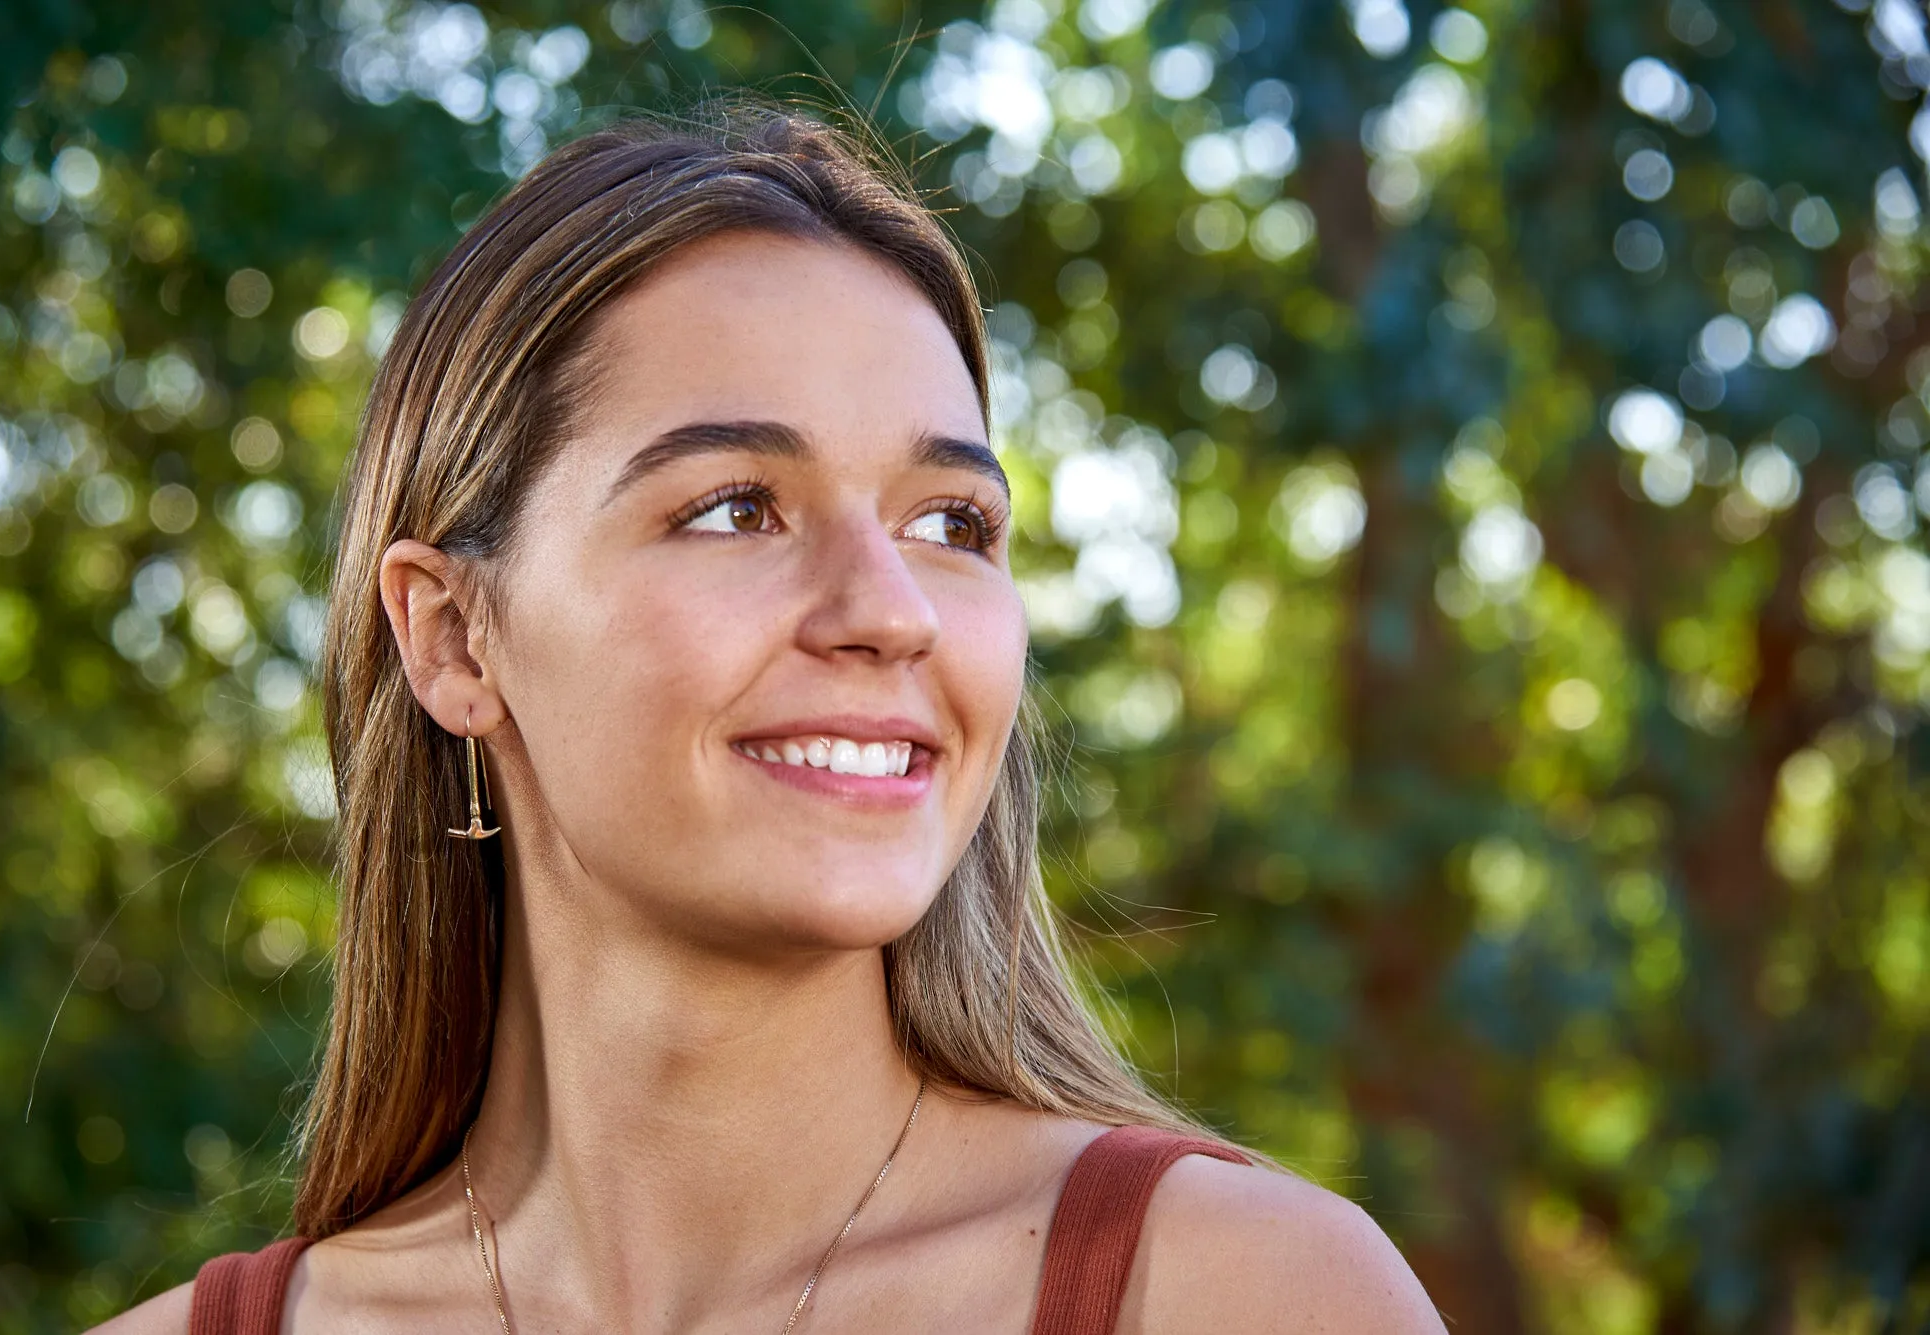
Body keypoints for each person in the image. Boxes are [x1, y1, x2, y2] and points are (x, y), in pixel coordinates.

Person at [97, 100, 1442, 1334]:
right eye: (737, 507)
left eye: (950, 523)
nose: (892, 607)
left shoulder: (1246, 1294)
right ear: (456, 637)